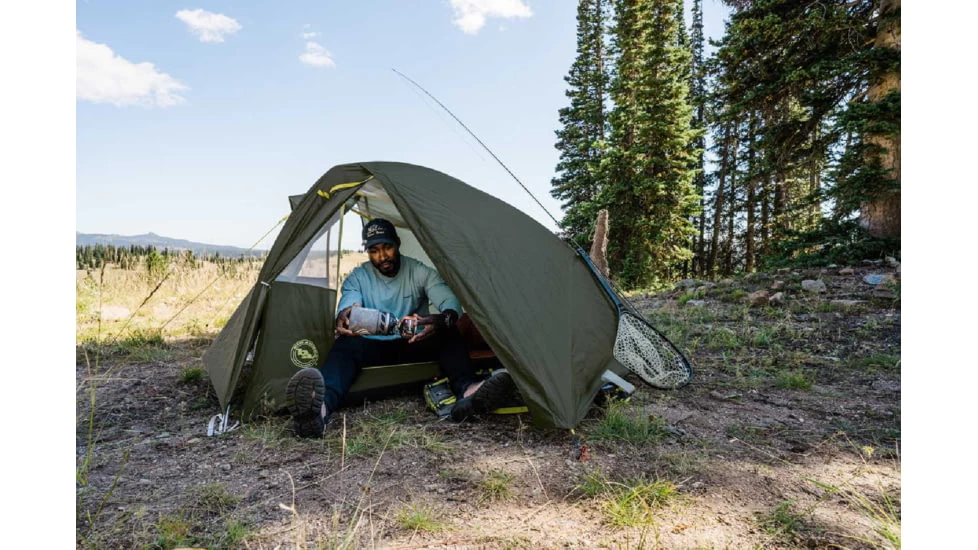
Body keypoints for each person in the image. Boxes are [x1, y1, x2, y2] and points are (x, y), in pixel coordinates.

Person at [285, 218, 516, 437]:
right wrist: (345, 316)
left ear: (398, 245)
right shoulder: (358, 277)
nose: (382, 256)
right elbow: (349, 305)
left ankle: (469, 392)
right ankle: (318, 412)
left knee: (448, 331)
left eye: (387, 248)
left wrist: (438, 321)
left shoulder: (419, 271)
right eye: (374, 251)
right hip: (372, 347)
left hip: (412, 343)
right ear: (368, 252)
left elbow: (450, 303)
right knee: (346, 345)